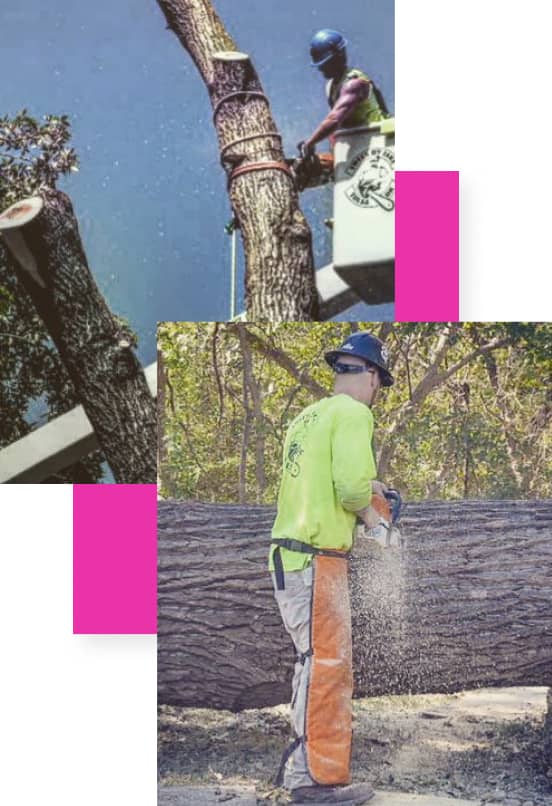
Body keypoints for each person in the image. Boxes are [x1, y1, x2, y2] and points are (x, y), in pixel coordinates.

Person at [269, 332, 394, 805]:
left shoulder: (308, 417)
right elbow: (349, 489)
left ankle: (299, 765)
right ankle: (313, 783)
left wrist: (372, 484)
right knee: (327, 668)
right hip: (317, 560)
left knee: (312, 663)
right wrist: (375, 523)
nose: (376, 393)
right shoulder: (354, 413)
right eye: (378, 382)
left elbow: (329, 479)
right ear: (369, 374)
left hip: (290, 554)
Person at [294, 30, 390, 190]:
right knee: (305, 171)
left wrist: (310, 143)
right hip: (356, 148)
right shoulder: (332, 87)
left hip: (377, 146)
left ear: (339, 57)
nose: (321, 69)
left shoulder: (354, 83)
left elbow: (334, 119)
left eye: (325, 63)